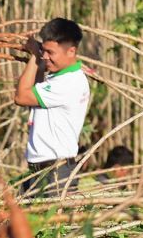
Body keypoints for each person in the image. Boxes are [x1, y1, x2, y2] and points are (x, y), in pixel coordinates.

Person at [13, 18, 90, 196]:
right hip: (40, 168)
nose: (45, 56)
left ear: (72, 51)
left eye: (50, 52)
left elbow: (21, 96)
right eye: (43, 51)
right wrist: (39, 61)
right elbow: (36, 89)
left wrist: (34, 55)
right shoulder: (58, 78)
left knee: (49, 223)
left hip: (55, 172)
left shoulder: (70, 82)